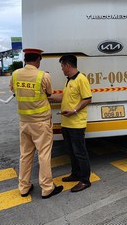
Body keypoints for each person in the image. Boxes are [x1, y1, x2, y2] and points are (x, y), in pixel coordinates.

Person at [10, 48, 63, 199]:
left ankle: (23, 187)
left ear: (25, 59)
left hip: (24, 122)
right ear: (38, 59)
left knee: (25, 155)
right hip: (41, 122)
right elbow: (49, 93)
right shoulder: (43, 76)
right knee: (44, 155)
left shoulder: (15, 74)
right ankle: (47, 188)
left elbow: (13, 90)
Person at [48, 54, 93, 192]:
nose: (61, 69)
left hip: (76, 124)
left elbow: (87, 99)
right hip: (66, 123)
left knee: (80, 153)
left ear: (67, 65)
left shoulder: (81, 79)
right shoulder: (69, 81)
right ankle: (76, 174)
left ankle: (85, 180)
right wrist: (48, 97)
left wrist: (74, 110)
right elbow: (63, 97)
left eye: (62, 66)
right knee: (71, 152)